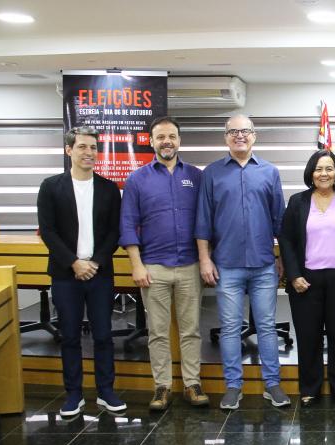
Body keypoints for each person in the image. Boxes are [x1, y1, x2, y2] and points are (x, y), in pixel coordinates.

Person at [195, 114, 288, 409]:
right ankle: (233, 386)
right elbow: (203, 222)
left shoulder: (270, 172)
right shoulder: (211, 174)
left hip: (263, 266)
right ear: (225, 137)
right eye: (233, 131)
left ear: (254, 136)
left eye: (245, 131)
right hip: (227, 265)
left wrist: (282, 258)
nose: (239, 136)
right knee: (230, 327)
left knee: (267, 327)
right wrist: (205, 260)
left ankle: (272, 385)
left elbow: (280, 222)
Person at [120, 116, 209, 410]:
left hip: (189, 265)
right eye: (161, 137)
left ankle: (192, 384)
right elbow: (128, 224)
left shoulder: (196, 177)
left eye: (172, 136)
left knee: (190, 329)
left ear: (179, 140)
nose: (167, 142)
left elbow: (206, 221)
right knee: (157, 331)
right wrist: (136, 264)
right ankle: (162, 386)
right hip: (153, 266)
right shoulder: (137, 180)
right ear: (151, 141)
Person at [37, 126, 126, 416]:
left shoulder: (109, 188)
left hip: (100, 272)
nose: (89, 152)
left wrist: (96, 262)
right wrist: (74, 263)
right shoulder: (51, 187)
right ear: (69, 150)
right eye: (82, 147)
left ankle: (106, 391)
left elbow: (114, 231)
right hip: (66, 274)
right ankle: (73, 394)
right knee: (70, 336)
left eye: (93, 147)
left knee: (103, 335)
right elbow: (48, 232)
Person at [278, 150, 335, 407]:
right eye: (319, 169)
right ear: (311, 172)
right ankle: (310, 388)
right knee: (308, 336)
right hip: (305, 282)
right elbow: (286, 240)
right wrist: (293, 275)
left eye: (329, 169)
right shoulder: (297, 201)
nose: (324, 174)